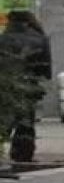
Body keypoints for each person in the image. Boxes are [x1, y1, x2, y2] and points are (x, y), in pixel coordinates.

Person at [0, 11, 50, 163]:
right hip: (28, 85)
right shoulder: (40, 39)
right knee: (26, 121)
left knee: (4, 120)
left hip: (4, 84)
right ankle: (23, 153)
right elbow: (45, 69)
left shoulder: (2, 39)